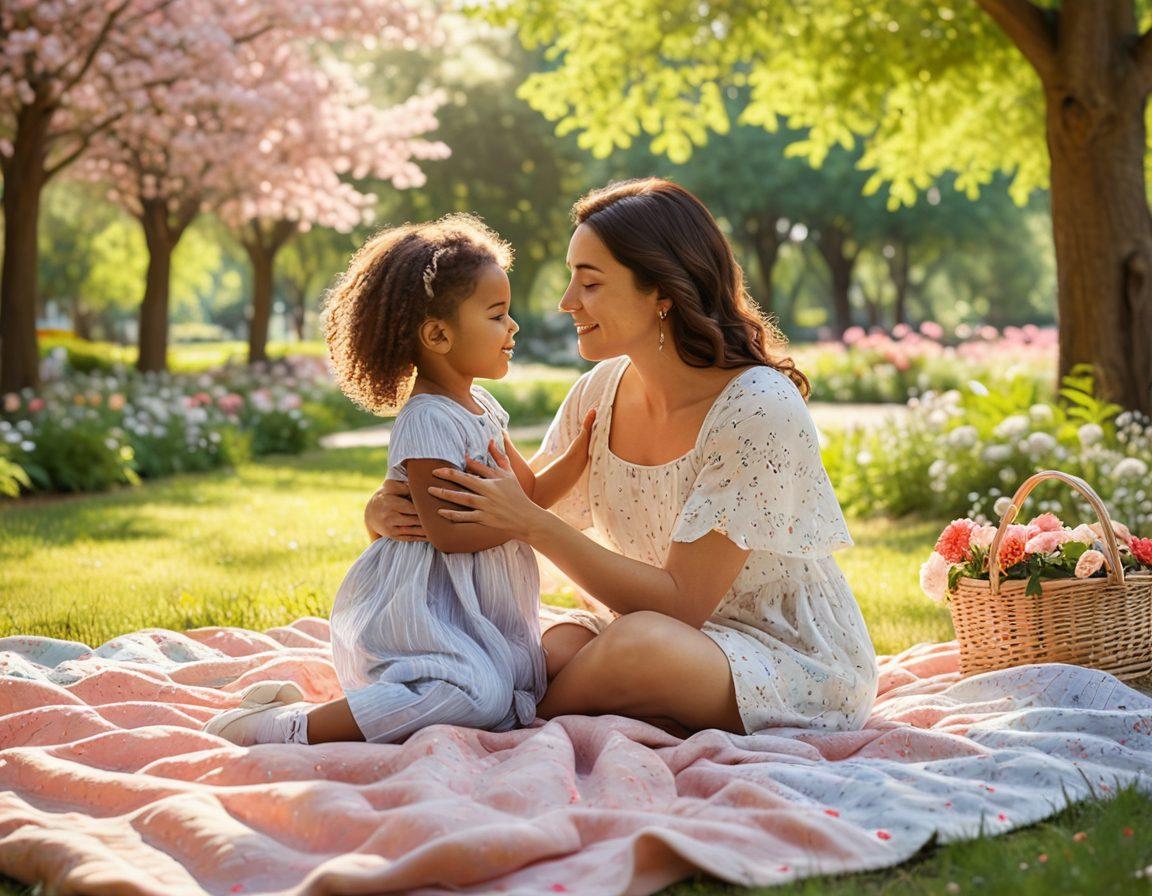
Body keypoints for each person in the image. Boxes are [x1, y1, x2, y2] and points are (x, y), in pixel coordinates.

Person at [369, 179, 878, 738]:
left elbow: (679, 604)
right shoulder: (600, 393)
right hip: (648, 632)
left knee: (635, 648)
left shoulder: (757, 408)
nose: (566, 302)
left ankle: (511, 727)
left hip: (782, 657)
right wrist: (386, 515)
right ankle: (603, 708)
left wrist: (529, 522)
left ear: (662, 292)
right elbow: (509, 511)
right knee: (543, 649)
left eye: (589, 282)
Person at [203, 214, 595, 746]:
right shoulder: (428, 418)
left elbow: (531, 494)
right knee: (477, 697)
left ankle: (322, 710)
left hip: (479, 606)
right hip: (432, 608)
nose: (513, 327)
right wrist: (524, 524)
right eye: (497, 314)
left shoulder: (482, 405)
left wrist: (584, 451)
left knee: (512, 685)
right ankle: (287, 727)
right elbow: (447, 533)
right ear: (438, 334)